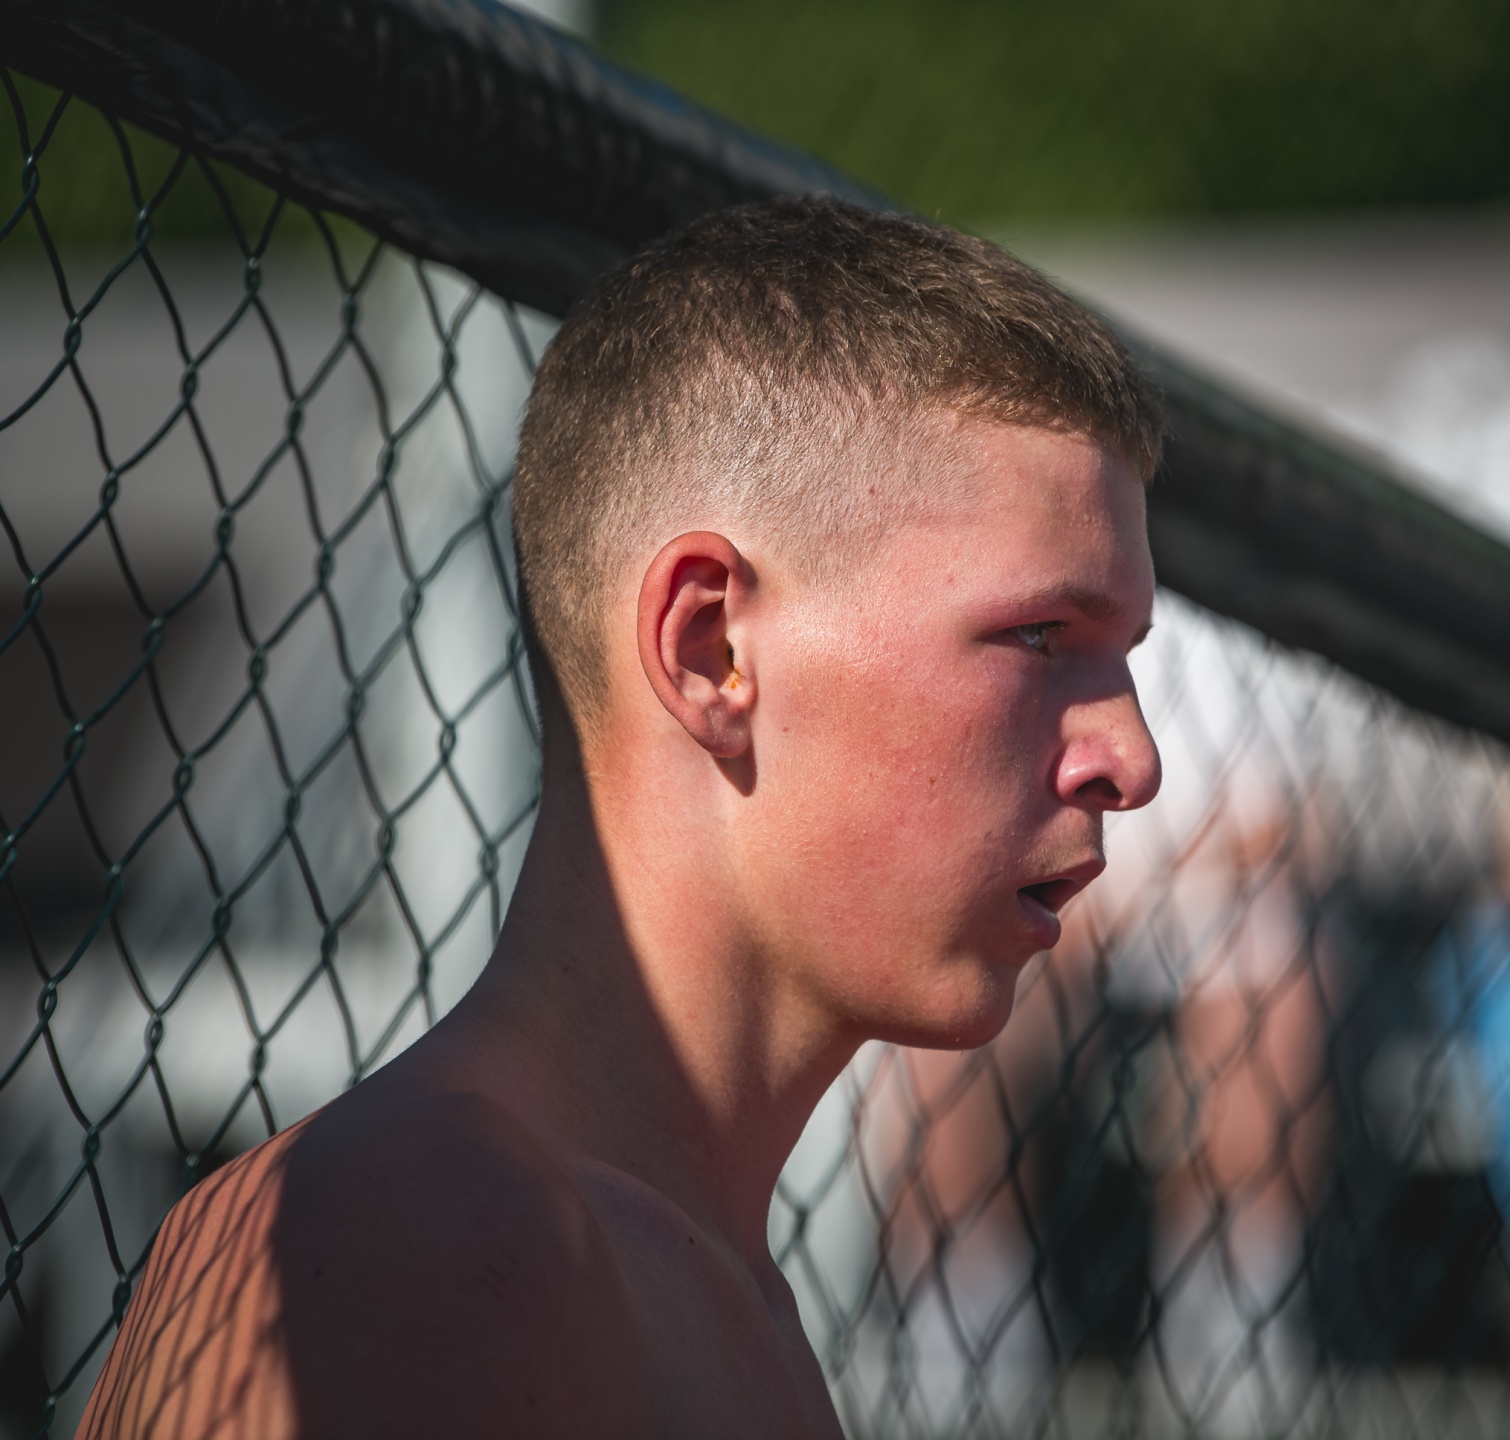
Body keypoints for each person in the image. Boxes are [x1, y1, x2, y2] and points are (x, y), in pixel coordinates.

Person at [76, 196, 1164, 1439]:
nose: (1133, 761)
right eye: (1039, 636)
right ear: (709, 650)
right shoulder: (438, 1236)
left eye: (1124, 655)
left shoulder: (664, 1268)